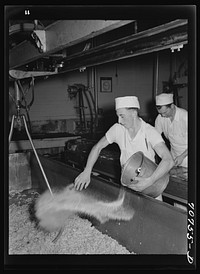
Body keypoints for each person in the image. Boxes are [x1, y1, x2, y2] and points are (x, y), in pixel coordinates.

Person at [74, 96, 174, 200]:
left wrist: (150, 181)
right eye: (118, 116)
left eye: (122, 116)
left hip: (151, 185)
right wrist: (87, 170)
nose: (119, 120)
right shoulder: (118, 129)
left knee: (152, 215)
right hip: (128, 185)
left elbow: (169, 160)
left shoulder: (149, 132)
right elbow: (98, 147)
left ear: (134, 113)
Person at [155, 93, 188, 169]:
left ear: (172, 106)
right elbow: (156, 138)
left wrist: (182, 156)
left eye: (165, 112)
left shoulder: (185, 117)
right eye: (160, 113)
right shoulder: (160, 118)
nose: (162, 115)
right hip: (173, 156)